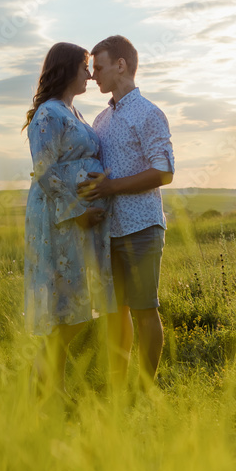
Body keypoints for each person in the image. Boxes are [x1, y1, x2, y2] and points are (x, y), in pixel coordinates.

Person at [79, 35, 174, 394]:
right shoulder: (101, 119)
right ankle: (119, 389)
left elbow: (164, 171)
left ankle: (145, 389)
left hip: (142, 227)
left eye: (99, 67)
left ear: (121, 65)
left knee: (144, 310)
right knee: (114, 313)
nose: (93, 76)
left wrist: (110, 188)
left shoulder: (149, 113)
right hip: (109, 231)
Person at [23, 42, 116, 402]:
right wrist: (79, 210)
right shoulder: (48, 114)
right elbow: (44, 171)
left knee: (74, 308)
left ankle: (51, 388)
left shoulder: (71, 112)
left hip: (78, 218)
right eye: (84, 67)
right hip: (59, 219)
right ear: (66, 69)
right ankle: (42, 384)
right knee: (69, 310)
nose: (90, 74)